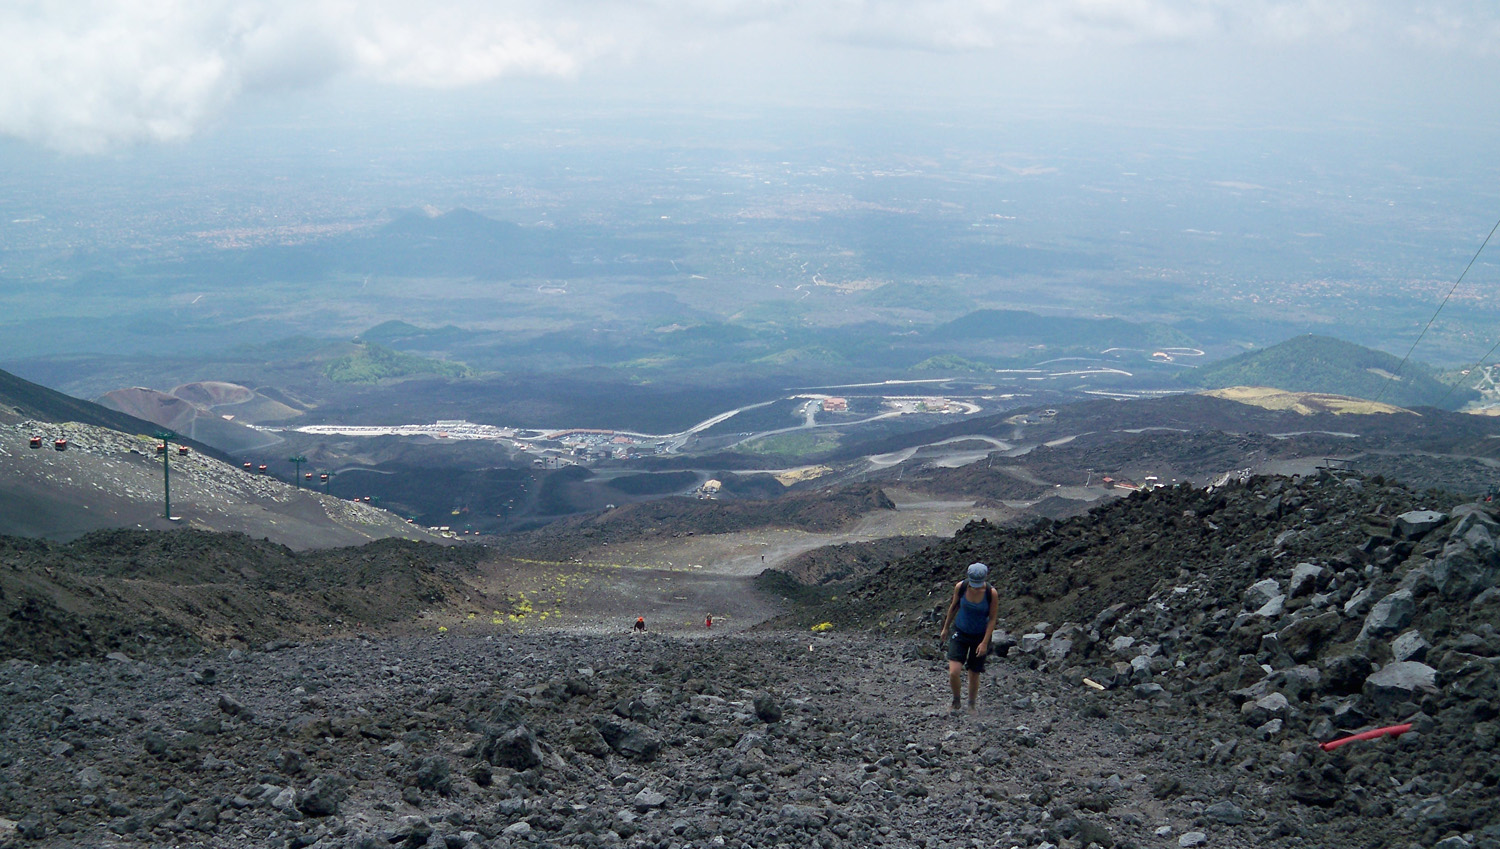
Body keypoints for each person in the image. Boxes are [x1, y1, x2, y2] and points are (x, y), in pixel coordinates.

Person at [938, 562, 999, 714]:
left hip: (980, 635)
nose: (976, 587)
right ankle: (956, 700)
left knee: (973, 671)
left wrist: (984, 642)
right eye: (974, 584)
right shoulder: (961, 587)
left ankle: (971, 704)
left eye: (979, 584)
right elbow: (953, 607)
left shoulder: (991, 593)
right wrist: (945, 628)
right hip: (960, 631)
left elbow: (992, 619)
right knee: (954, 671)